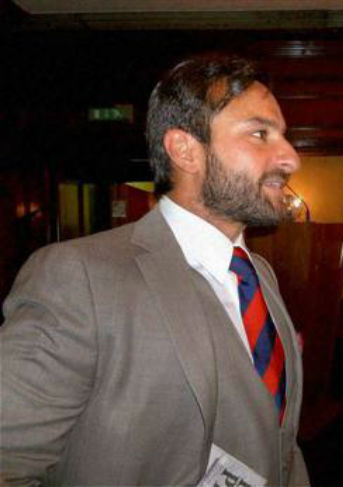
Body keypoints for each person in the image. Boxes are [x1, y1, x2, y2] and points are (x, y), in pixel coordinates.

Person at [0, 55, 310, 487]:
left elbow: (280, 442)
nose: (290, 157)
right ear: (185, 150)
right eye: (260, 134)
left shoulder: (258, 275)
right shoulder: (77, 277)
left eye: (284, 136)